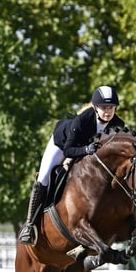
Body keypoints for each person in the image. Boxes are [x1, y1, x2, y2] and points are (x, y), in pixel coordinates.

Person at [18, 85, 126, 246]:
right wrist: (86, 149)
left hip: (89, 152)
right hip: (62, 145)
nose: (108, 111)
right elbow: (69, 150)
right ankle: (30, 225)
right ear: (95, 108)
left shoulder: (118, 125)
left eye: (111, 107)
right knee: (44, 177)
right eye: (104, 107)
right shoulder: (82, 120)